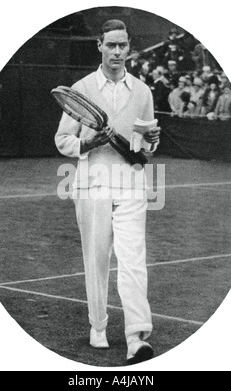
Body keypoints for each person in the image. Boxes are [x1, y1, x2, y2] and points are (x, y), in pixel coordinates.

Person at [54, 19, 160, 365]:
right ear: (99, 45)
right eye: (111, 45)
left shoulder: (143, 91)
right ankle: (97, 325)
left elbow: (143, 145)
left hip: (131, 184)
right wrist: (87, 142)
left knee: (133, 261)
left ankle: (136, 336)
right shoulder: (81, 87)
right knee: (97, 261)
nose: (117, 52)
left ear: (129, 48)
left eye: (123, 46)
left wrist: (151, 143)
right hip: (93, 185)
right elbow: (63, 140)